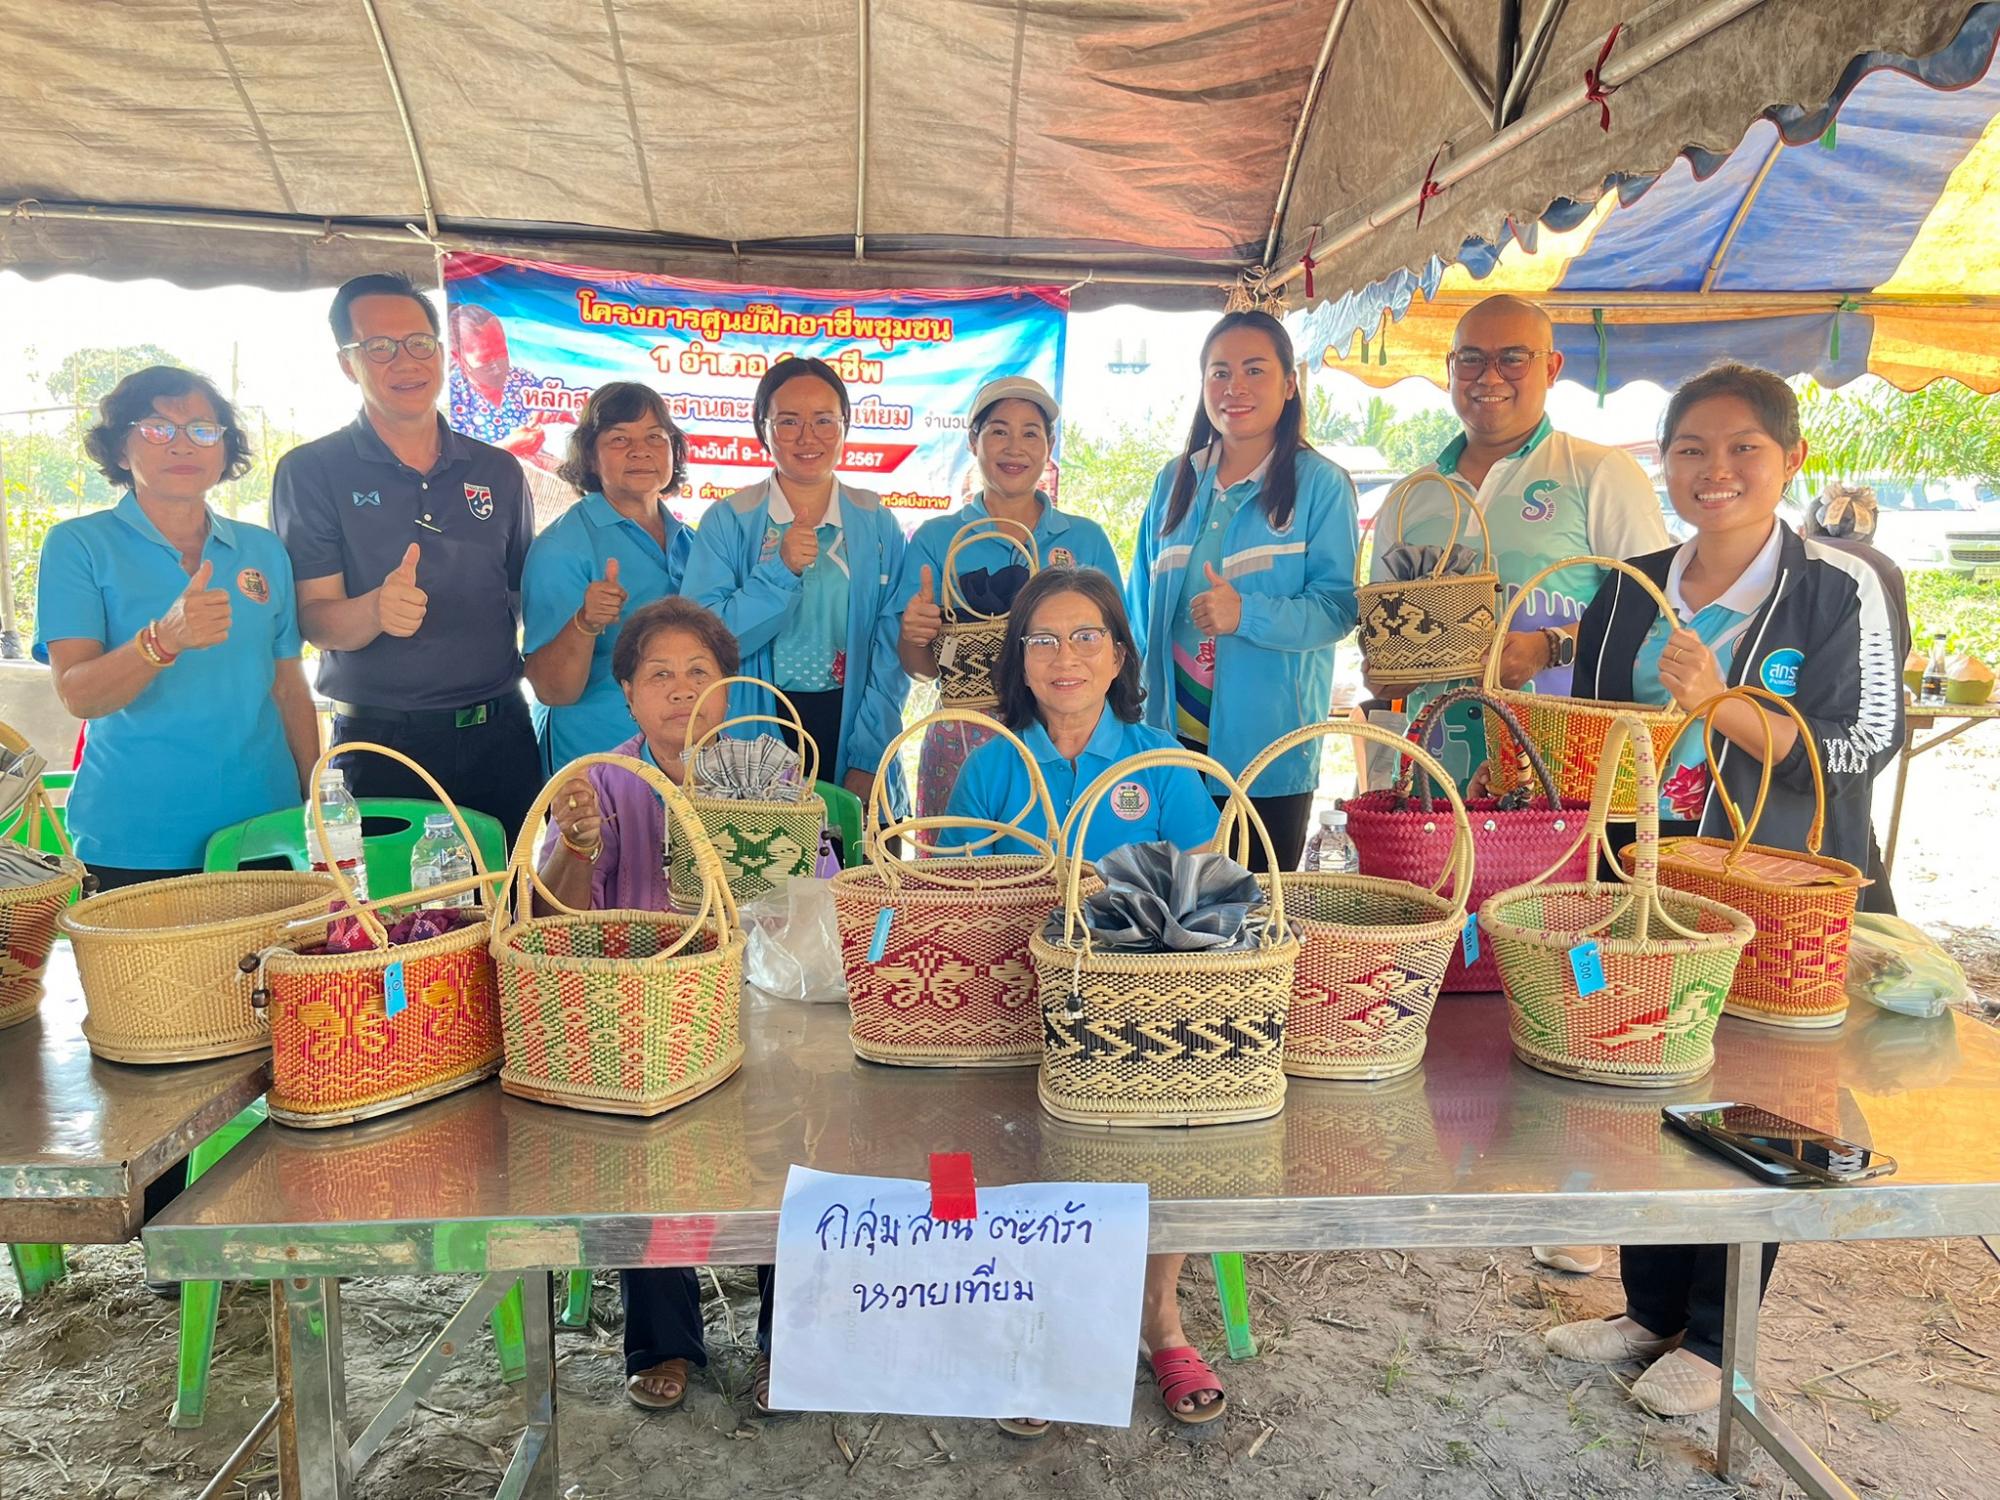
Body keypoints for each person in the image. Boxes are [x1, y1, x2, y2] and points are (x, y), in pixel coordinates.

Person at [1544, 362, 1903, 1418]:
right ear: (1663, 463)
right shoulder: (1630, 585)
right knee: (1645, 1080)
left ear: (1791, 459)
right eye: (1691, 448)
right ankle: (1648, 1310)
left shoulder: (1840, 586)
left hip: (1772, 894)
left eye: (1744, 447)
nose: (1716, 469)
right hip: (1644, 885)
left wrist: (1721, 702)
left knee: (1763, 1103)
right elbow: (1593, 736)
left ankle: (1714, 1337)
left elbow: (1862, 743)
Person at [942, 567, 1227, 1435]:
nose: (1064, 657)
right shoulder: (992, 766)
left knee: (1179, 1108)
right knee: (988, 1132)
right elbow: (954, 904)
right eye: (1043, 640)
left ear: (1118, 657)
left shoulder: (1163, 765)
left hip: (1140, 1010)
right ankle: (1030, 1316)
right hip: (1007, 1005)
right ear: (1019, 661)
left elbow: (1209, 902)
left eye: (1085, 637)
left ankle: (1157, 1316)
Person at [537, 597, 781, 1414]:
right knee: (648, 1143)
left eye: (699, 673)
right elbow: (555, 921)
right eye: (660, 675)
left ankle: (784, 1341)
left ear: (729, 689)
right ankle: (663, 1339)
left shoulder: (768, 774)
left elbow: (802, 899)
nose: (682, 691)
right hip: (642, 1013)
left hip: (752, 1001)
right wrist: (577, 848)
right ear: (630, 696)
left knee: (788, 1136)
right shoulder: (601, 781)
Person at [272, 272, 541, 840]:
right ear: (348, 363)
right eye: (380, 347)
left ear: (441, 353)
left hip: (501, 735)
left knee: (510, 892)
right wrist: (374, 610)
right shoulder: (312, 470)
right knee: (386, 898)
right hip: (381, 746)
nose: (406, 362)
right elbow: (314, 618)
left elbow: (517, 596)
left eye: (419, 343)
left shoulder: (498, 470)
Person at [1372, 293, 1669, 788]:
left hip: (1560, 775)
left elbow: (1654, 616)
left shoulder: (1599, 472)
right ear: (1450, 368)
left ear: (1551, 368)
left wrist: (1548, 647)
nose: (1489, 377)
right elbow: (1383, 642)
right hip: (1436, 775)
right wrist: (1387, 669)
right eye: (1471, 358)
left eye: (1513, 358)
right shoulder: (1411, 496)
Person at [36, 366, 317, 888]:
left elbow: (288, 687)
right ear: (121, 451)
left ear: (224, 450)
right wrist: (162, 640)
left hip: (265, 829)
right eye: (157, 428)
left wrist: (313, 797)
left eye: (203, 430)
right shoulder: (79, 545)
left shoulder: (262, 550)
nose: (183, 444)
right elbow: (79, 695)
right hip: (137, 835)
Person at [1126, 310, 1359, 872]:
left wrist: (1245, 614)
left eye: (1255, 370)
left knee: (1253, 908)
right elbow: (1137, 607)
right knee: (1166, 906)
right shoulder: (1174, 481)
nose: (1235, 387)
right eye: (1220, 372)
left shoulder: (1321, 484)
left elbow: (1336, 609)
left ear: (1290, 383)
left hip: (1269, 751)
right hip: (1167, 742)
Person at [680, 356, 907, 807]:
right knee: (762, 846)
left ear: (845, 427)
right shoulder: (729, 520)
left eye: (824, 420)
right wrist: (779, 573)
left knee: (853, 848)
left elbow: (891, 648)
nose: (807, 437)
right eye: (788, 421)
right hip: (754, 729)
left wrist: (868, 755)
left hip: (853, 723)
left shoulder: (877, 523)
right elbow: (705, 643)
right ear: (762, 430)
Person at [893, 375, 1120, 817]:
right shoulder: (937, 539)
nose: (1015, 448)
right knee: (959, 856)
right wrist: (914, 635)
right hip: (963, 737)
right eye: (999, 431)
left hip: (1067, 736)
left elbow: (1117, 651)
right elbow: (919, 667)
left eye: (1030, 434)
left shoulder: (1085, 539)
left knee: (1060, 853)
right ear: (973, 441)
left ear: (1049, 446)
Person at [522, 383, 693, 774]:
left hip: (678, 762)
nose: (640, 450)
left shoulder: (691, 542)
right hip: (595, 761)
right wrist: (585, 622)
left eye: (655, 437)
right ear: (590, 457)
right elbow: (552, 690)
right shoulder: (562, 547)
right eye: (619, 439)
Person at [447, 303, 559, 467]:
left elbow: (553, 410)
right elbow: (453, 465)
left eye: (502, 352)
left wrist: (554, 413)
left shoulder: (523, 380)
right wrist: (507, 447)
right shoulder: (452, 398)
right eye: (486, 358)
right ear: (458, 357)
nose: (498, 365)